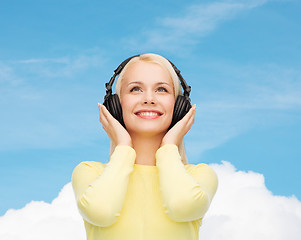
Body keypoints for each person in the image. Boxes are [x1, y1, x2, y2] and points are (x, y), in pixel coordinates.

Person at [71, 53, 218, 240]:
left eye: (162, 90)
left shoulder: (199, 176)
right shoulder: (90, 172)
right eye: (135, 89)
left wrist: (169, 146)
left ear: (180, 107)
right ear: (115, 105)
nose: (149, 99)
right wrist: (123, 147)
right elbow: (102, 211)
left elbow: (182, 205)